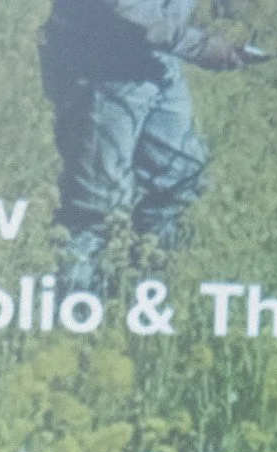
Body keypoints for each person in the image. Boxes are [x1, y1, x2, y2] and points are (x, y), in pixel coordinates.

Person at [38, 0, 246, 292]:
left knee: (179, 183)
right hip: (101, 63)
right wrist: (196, 45)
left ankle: (141, 299)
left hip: (157, 61)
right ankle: (74, 315)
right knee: (97, 209)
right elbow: (125, 8)